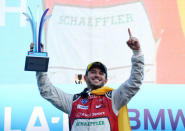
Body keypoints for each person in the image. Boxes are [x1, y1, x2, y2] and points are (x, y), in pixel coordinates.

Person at [33, 28, 144, 131]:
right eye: (93, 72)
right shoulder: (73, 102)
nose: (97, 75)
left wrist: (137, 53)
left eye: (101, 73)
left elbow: (134, 83)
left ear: (106, 81)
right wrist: (40, 59)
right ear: (85, 78)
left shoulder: (113, 99)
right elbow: (46, 90)